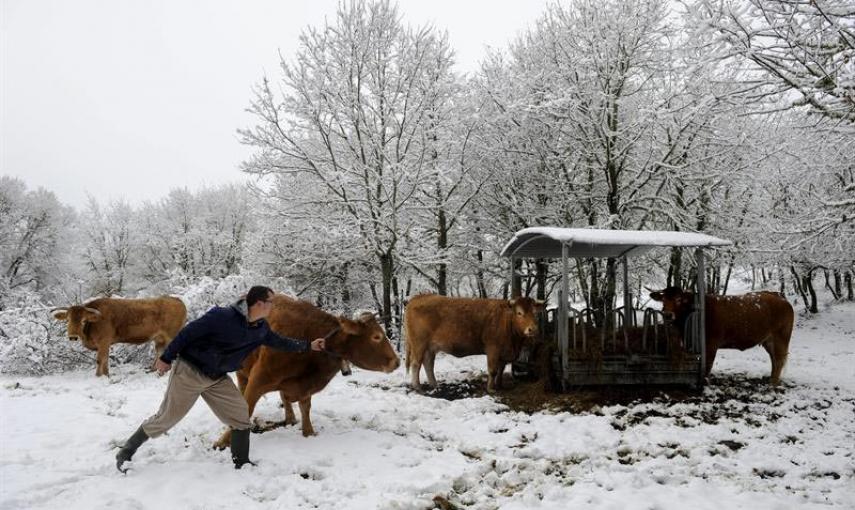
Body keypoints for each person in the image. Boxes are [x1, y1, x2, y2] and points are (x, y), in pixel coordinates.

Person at [115, 286, 325, 472]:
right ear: (259, 304)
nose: (274, 306)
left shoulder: (260, 327)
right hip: (190, 372)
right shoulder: (221, 317)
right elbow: (187, 333)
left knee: (241, 415)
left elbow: (278, 342)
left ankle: (241, 462)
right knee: (166, 418)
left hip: (216, 378)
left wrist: (308, 346)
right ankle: (126, 451)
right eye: (272, 302)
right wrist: (166, 357)